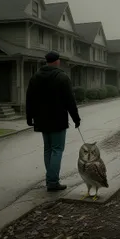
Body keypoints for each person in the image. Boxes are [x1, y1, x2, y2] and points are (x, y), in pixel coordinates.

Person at [26, 50, 81, 192]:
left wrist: (29, 117)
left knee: (48, 149)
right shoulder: (62, 77)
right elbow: (70, 100)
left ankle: (50, 179)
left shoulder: (35, 77)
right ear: (57, 61)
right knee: (57, 149)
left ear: (46, 61)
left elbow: (29, 99)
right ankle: (52, 181)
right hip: (57, 119)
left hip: (41, 119)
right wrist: (76, 118)